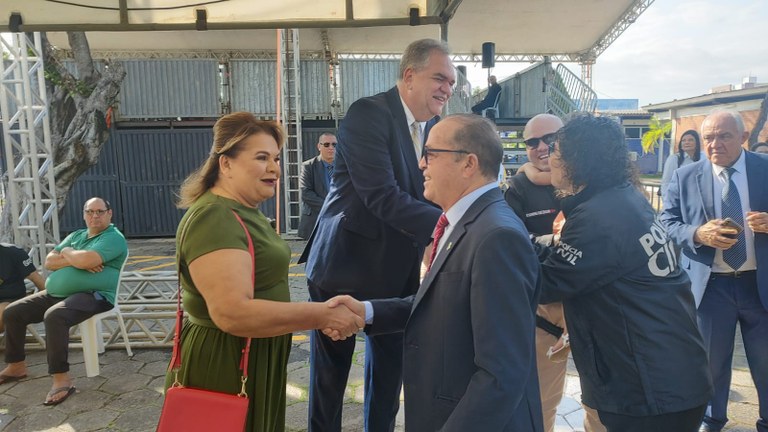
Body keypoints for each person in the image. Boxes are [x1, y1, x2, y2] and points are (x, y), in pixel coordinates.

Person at [329, 114, 544, 431]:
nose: (420, 164)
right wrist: (368, 312)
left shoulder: (496, 237)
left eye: (430, 154)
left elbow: (501, 373)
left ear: (468, 164)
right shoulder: (466, 222)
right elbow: (442, 304)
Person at [164, 112, 363, 432]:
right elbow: (233, 314)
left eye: (275, 158)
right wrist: (322, 316)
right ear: (225, 163)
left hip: (252, 357)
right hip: (226, 361)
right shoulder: (214, 217)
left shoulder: (241, 210)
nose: (274, 167)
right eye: (261, 157)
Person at [298, 38, 454, 431]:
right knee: (330, 379)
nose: (447, 89)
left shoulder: (434, 129)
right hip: (344, 266)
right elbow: (382, 197)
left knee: (389, 375)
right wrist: (451, 227)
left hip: (397, 274)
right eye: (439, 78)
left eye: (451, 82)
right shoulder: (368, 114)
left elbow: (435, 191)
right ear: (409, 75)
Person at [538, 113, 712, 432]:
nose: (549, 159)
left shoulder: (598, 219)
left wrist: (504, 244)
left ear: (580, 162)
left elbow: (545, 284)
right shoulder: (625, 198)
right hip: (675, 376)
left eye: (557, 154)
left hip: (647, 390)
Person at [661, 110, 768, 432]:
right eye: (708, 137)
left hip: (759, 286)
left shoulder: (765, 169)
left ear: (743, 137)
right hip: (711, 288)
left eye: (724, 136)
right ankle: (713, 420)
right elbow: (667, 223)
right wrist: (697, 234)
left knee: (765, 365)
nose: (714, 144)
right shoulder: (685, 175)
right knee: (712, 365)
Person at [503, 113, 606, 432]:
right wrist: (558, 241)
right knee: (541, 402)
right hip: (546, 313)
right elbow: (511, 242)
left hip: (595, 307)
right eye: (532, 142)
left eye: (551, 139)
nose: (542, 147)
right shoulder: (518, 187)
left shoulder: (594, 181)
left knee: (601, 403)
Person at [0, 197, 128, 406]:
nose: (94, 216)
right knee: (13, 312)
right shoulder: (77, 235)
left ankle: (62, 379)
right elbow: (49, 261)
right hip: (57, 294)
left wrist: (68, 253)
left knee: (55, 316)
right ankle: (16, 365)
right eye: (90, 212)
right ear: (84, 214)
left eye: (100, 211)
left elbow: (85, 260)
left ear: (109, 213)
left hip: (95, 294)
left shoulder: (113, 237)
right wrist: (77, 259)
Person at [297, 132, 337, 239]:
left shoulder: (345, 167)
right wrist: (330, 207)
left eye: (334, 144)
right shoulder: (308, 166)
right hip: (315, 221)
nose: (331, 148)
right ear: (319, 146)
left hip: (339, 222)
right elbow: (306, 193)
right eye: (326, 144)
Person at [0, 243, 46, 333]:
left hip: (10, 300)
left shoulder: (14, 253)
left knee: (2, 313)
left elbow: (37, 280)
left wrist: (55, 302)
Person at [660, 130, 703, 196]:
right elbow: (666, 182)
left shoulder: (703, 158)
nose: (686, 142)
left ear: (697, 143)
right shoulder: (674, 159)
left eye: (690, 140)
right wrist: (667, 202)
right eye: (683, 140)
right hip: (679, 199)